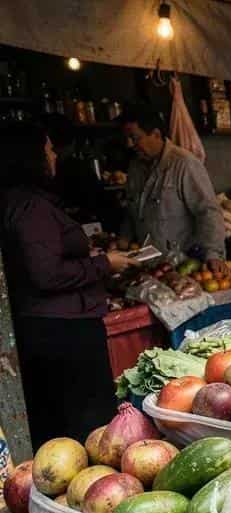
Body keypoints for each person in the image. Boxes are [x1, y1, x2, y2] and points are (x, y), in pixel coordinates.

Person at [1, 122, 137, 445]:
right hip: (63, 331)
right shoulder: (31, 208)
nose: (54, 155)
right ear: (30, 156)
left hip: (51, 326)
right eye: (48, 148)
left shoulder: (21, 201)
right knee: (86, 424)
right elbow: (46, 273)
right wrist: (104, 264)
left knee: (64, 421)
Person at [119, 106, 226, 276]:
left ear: (155, 134)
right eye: (127, 138)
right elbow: (131, 210)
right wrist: (123, 240)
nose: (129, 144)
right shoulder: (135, 168)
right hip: (150, 266)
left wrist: (213, 253)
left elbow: (208, 211)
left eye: (134, 138)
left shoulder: (184, 164)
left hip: (184, 266)